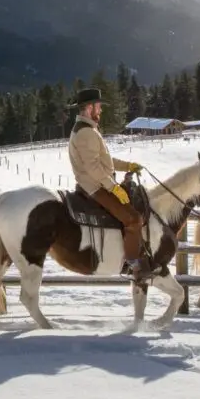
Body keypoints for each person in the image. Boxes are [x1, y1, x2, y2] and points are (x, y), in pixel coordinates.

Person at [67, 88, 148, 276]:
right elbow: (93, 168)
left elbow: (105, 162)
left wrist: (128, 166)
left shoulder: (86, 129)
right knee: (134, 219)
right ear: (89, 108)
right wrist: (114, 188)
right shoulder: (86, 132)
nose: (100, 111)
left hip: (96, 184)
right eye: (98, 107)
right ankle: (132, 264)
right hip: (94, 188)